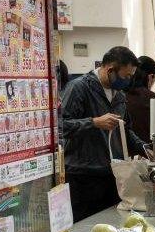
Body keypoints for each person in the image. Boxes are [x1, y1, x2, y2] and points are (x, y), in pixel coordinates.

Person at [61, 46, 149, 222]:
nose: (129, 81)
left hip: (112, 175)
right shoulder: (79, 88)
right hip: (83, 176)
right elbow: (60, 127)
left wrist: (146, 148)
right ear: (110, 70)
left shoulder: (119, 96)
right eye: (126, 76)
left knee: (112, 230)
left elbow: (126, 130)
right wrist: (94, 122)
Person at [124, 56, 155, 144]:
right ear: (151, 77)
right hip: (149, 151)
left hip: (125, 151)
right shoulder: (153, 98)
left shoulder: (121, 96)